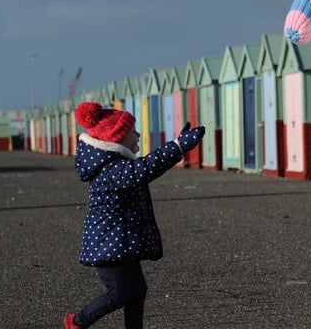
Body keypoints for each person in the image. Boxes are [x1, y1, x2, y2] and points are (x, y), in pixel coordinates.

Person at [64, 101, 205, 329]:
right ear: (116, 139)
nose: (138, 135)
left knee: (137, 291)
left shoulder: (114, 164)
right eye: (132, 132)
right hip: (108, 245)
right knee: (119, 293)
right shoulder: (112, 170)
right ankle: (77, 322)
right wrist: (178, 147)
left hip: (120, 243)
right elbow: (146, 168)